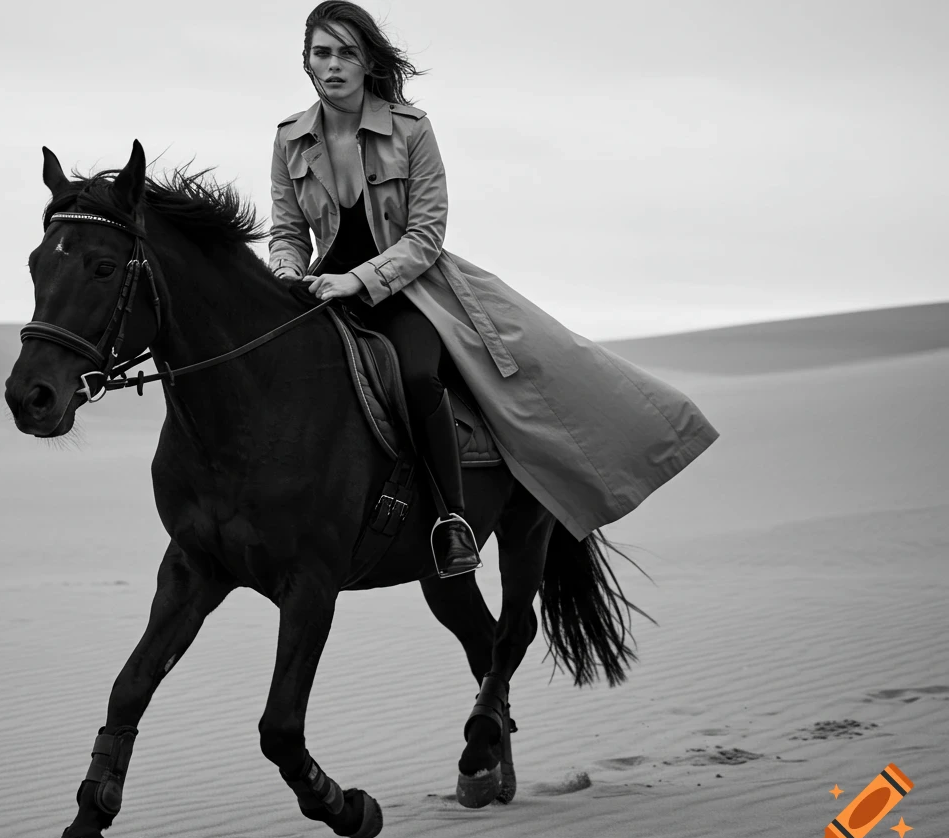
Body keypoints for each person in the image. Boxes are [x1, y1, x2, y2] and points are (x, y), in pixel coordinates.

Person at [268, 2, 719, 577]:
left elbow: (426, 235)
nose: (333, 65)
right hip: (320, 293)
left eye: (346, 53)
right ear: (306, 61)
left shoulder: (410, 129)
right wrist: (286, 271)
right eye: (321, 53)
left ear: (367, 62)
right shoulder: (290, 139)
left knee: (416, 377)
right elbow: (285, 231)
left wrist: (358, 278)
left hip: (405, 292)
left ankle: (450, 522)